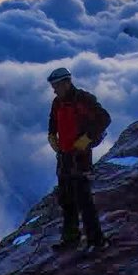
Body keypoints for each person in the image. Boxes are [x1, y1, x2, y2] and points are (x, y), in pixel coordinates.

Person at [46, 67, 111, 251]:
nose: (54, 90)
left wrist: (87, 139)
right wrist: (52, 135)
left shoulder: (83, 99)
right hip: (64, 156)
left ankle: (96, 241)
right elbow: (53, 121)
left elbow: (104, 119)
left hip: (80, 156)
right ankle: (71, 238)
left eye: (56, 85)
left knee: (84, 199)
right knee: (66, 199)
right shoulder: (58, 102)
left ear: (66, 83)